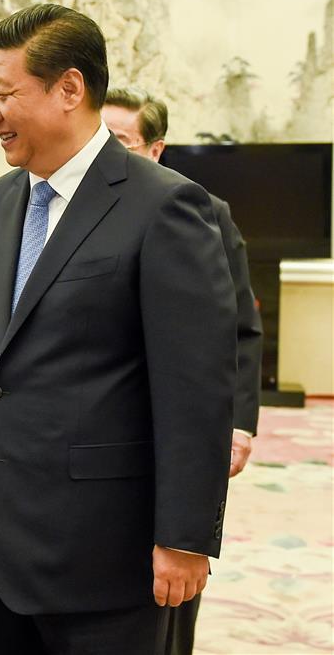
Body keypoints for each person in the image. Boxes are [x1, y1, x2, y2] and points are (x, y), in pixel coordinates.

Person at [0, 4, 238, 654]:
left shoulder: (164, 205)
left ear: (68, 89)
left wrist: (184, 536)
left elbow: (196, 384)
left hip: (101, 551)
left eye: (3, 94)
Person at [102, 86, 262, 655]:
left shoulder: (200, 209)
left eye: (119, 141)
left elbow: (239, 329)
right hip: (103, 432)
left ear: (155, 148)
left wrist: (238, 424)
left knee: (171, 589)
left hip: (181, 425)